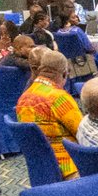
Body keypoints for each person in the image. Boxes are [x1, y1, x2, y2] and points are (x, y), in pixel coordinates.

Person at [15, 50, 83, 179]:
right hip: (70, 167)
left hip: (41, 167)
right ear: (64, 73)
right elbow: (82, 131)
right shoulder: (59, 98)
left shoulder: (23, 97)